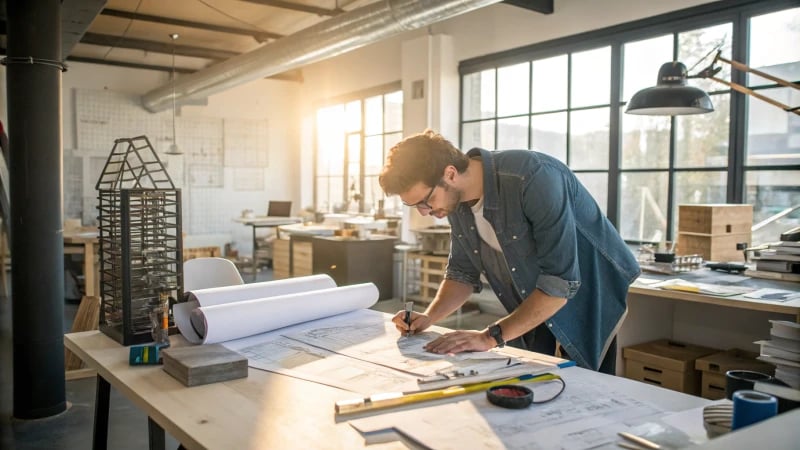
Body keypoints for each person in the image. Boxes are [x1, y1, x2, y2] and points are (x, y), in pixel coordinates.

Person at [379, 129, 640, 374]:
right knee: (537, 378)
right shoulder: (454, 202)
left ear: (450, 174)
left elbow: (561, 283)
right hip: (535, 294)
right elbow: (462, 273)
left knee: (584, 385)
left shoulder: (533, 176)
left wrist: (488, 336)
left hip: (590, 291)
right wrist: (429, 317)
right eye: (414, 206)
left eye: (426, 201)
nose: (425, 212)